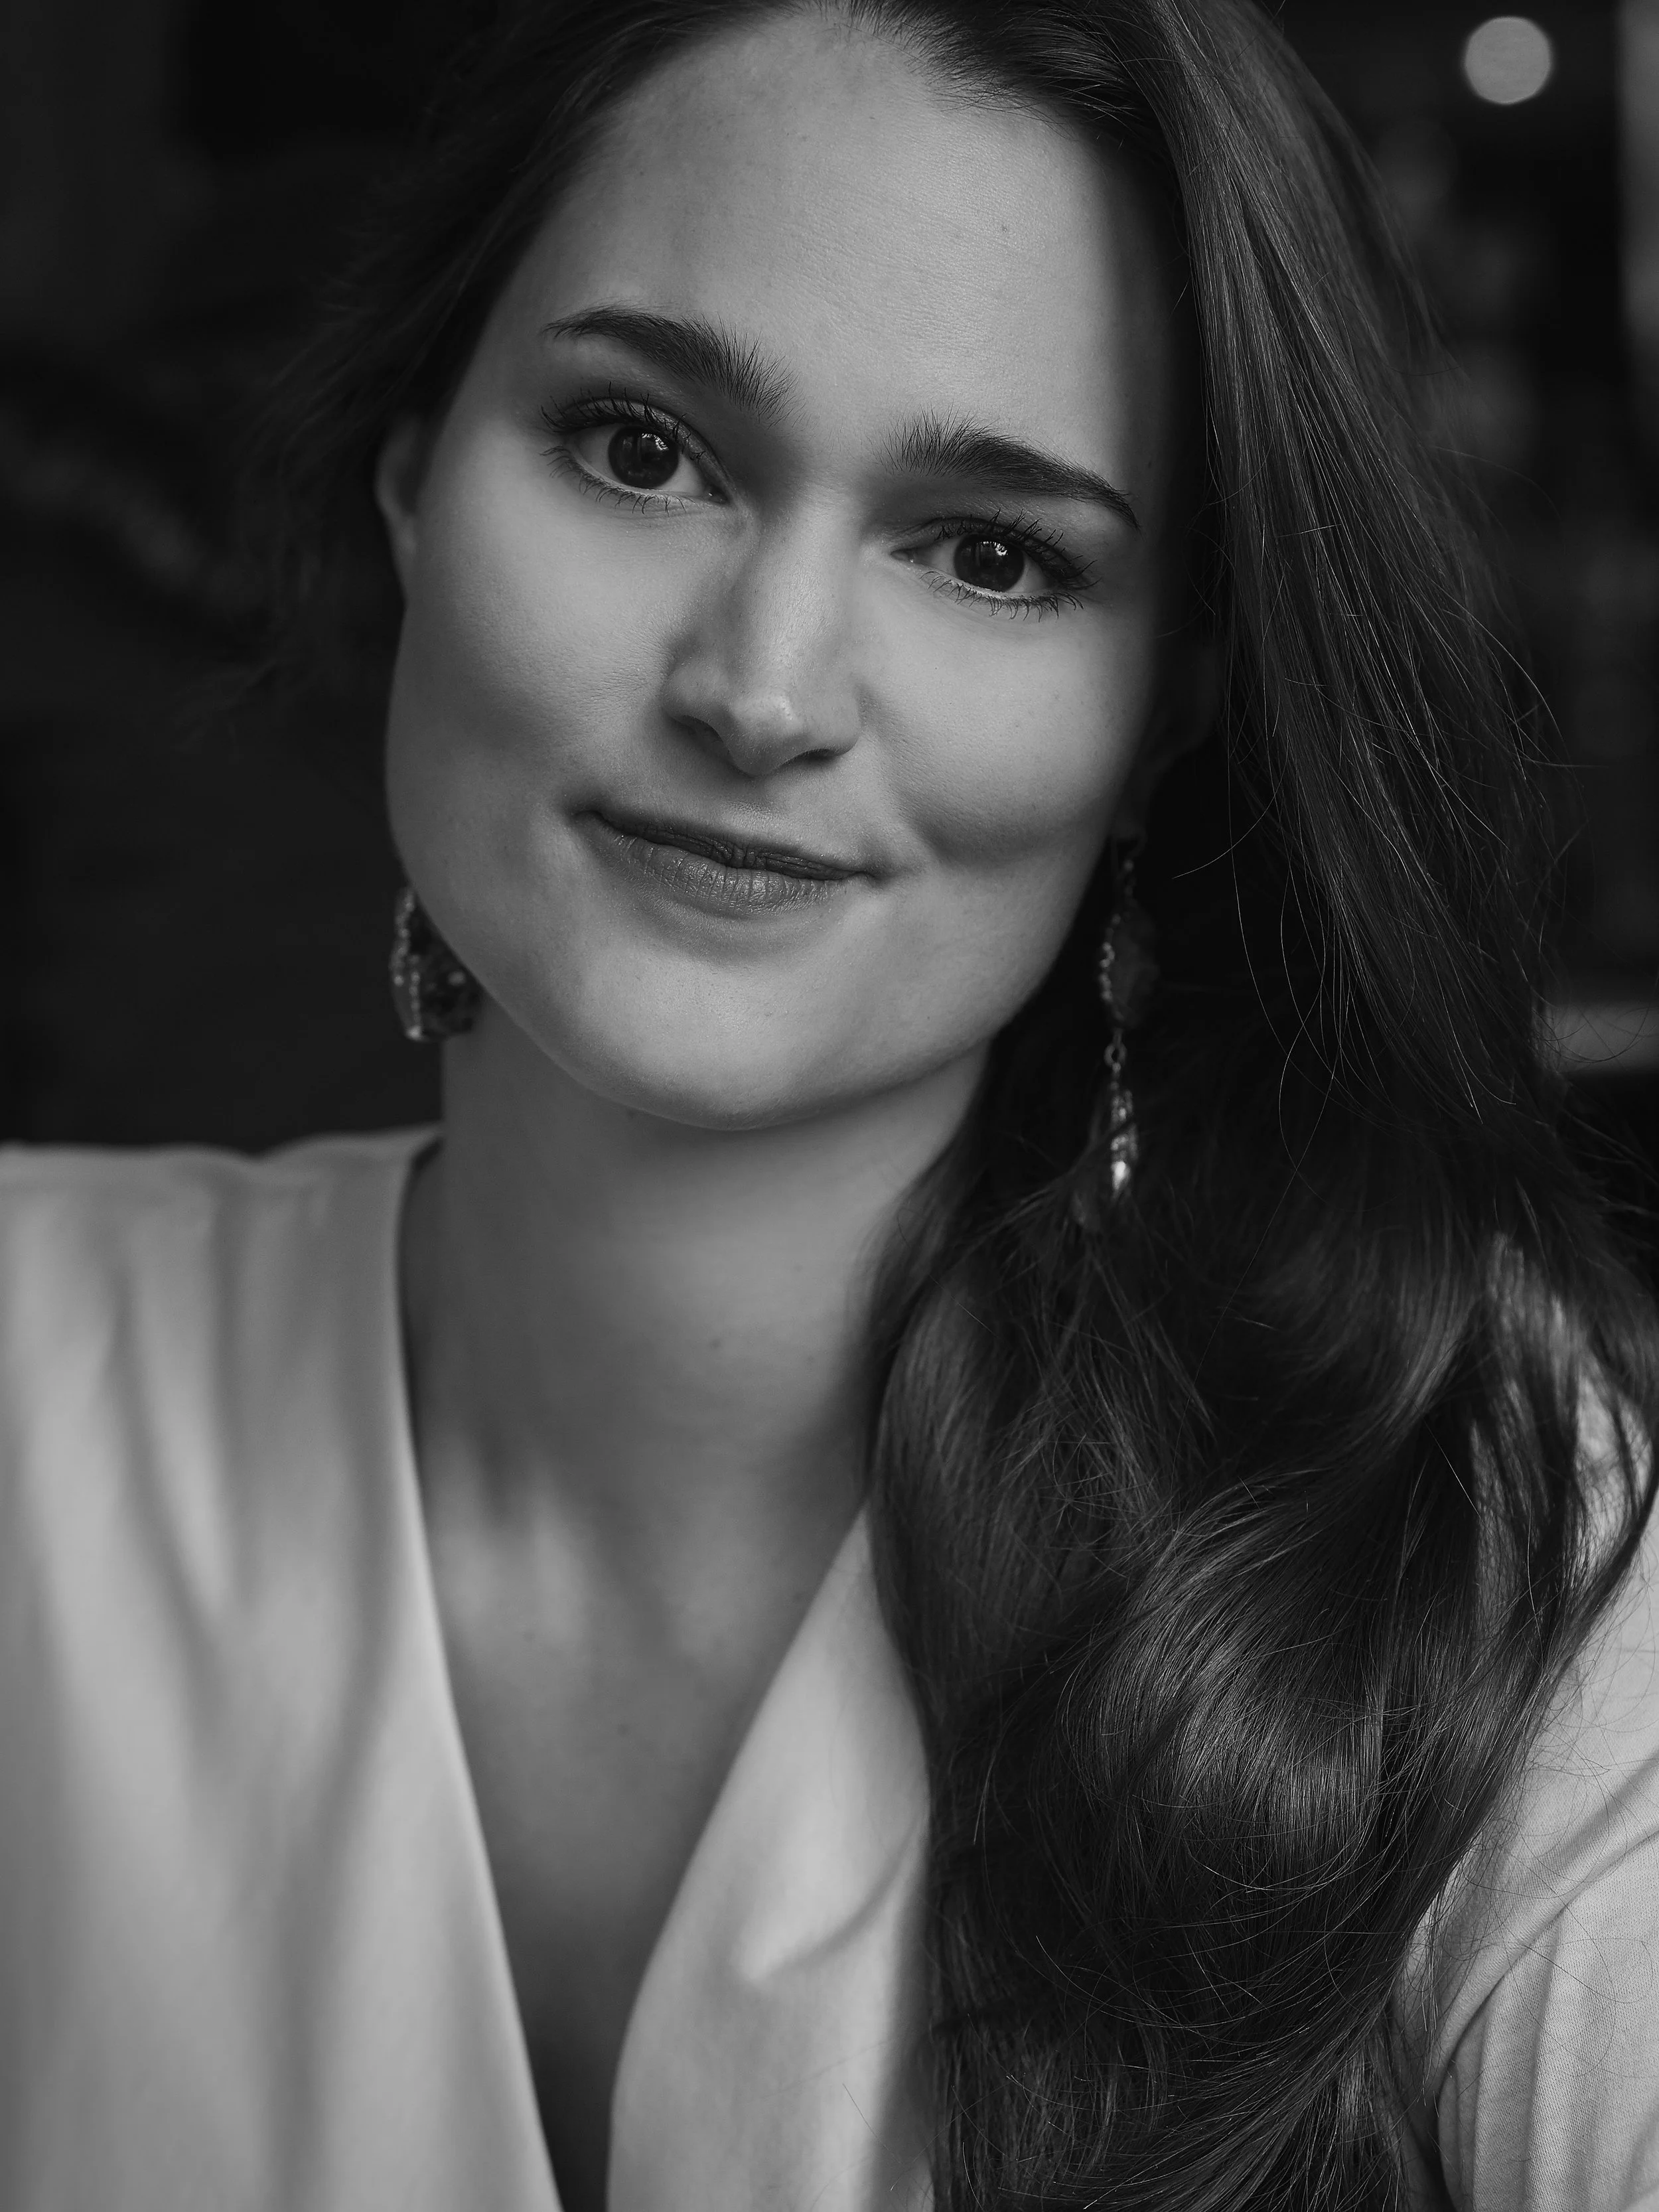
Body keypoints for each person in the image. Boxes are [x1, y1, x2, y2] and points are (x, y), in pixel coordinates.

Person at [3, 1, 1656, 2207]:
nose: (761, 689)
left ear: (1165, 711)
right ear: (413, 474)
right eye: (637, 447)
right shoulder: (33, 1368)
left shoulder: (1469, 1535)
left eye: (991, 554)